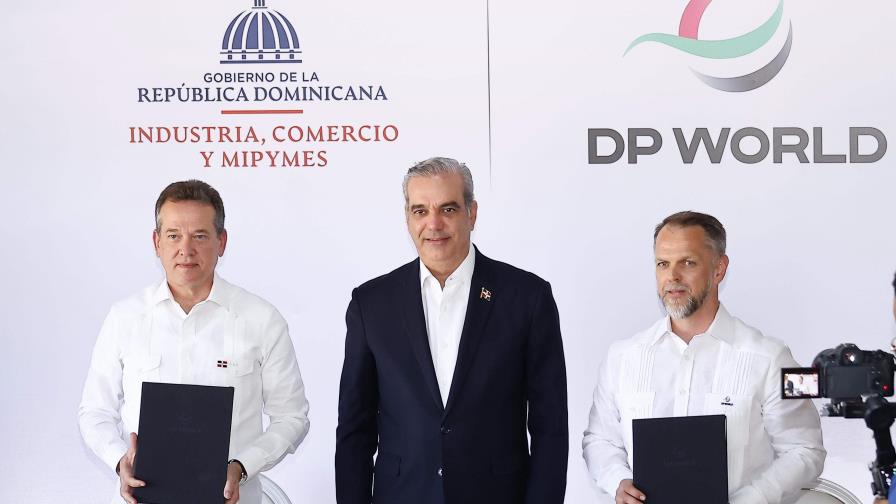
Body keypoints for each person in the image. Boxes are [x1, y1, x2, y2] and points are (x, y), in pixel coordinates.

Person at [335, 157, 569, 504]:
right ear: (407, 218)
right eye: (420, 211)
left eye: (448, 209)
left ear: (471, 214)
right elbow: (355, 431)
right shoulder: (371, 304)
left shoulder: (527, 298)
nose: (434, 224)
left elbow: (551, 428)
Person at [78, 180, 310, 504]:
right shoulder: (125, 318)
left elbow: (292, 417)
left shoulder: (261, 320)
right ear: (157, 242)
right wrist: (120, 460)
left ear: (221, 242)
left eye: (199, 236)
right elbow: (94, 412)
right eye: (174, 235)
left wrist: (242, 466)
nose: (185, 249)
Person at [583, 211, 825, 504]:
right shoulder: (621, 358)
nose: (672, 276)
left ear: (719, 269)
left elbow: (805, 450)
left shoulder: (774, 358)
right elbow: (599, 440)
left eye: (688, 262)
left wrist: (752, 498)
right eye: (663, 263)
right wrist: (617, 481)